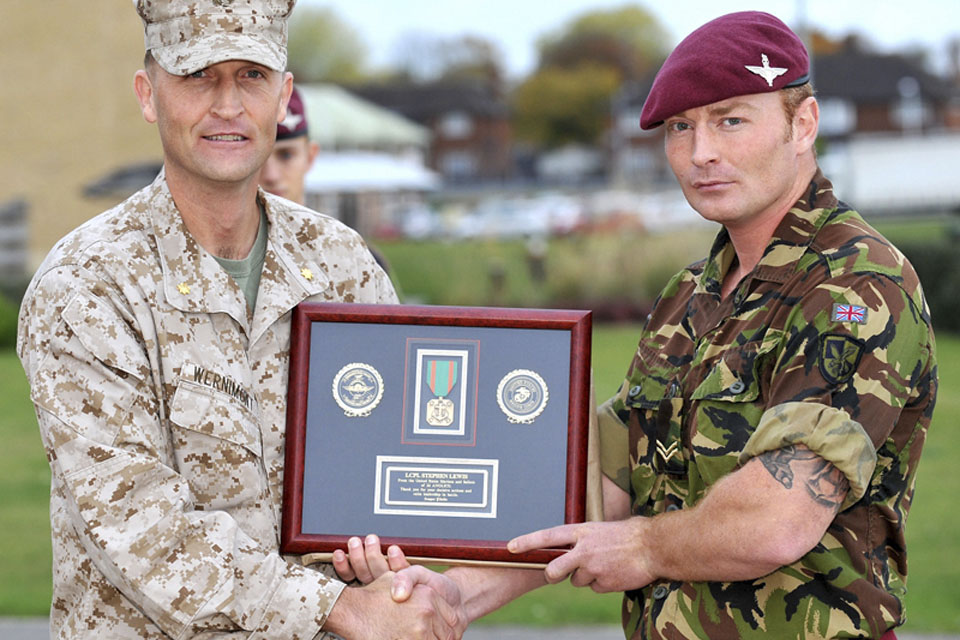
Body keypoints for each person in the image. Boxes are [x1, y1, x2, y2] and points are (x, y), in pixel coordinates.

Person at [340, 11, 937, 640]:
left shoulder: (855, 286)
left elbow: (776, 519)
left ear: (803, 124)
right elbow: (598, 483)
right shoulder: (690, 293)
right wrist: (459, 591)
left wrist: (644, 548)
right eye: (681, 127)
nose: (701, 152)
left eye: (731, 120)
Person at [16, 1, 463, 638]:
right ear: (149, 95)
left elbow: (392, 466)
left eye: (251, 76)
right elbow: (141, 528)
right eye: (198, 76)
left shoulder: (342, 265)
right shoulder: (87, 287)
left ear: (283, 97)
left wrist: (402, 564)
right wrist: (338, 608)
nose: (227, 105)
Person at [260, 84, 319, 205]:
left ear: (310, 157)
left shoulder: (331, 225)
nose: (271, 176)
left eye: (286, 155)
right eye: (257, 158)